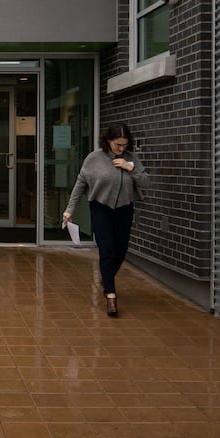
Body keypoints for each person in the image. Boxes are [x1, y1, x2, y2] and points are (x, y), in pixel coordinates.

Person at [62, 123, 149, 317]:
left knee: (121, 249)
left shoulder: (131, 158)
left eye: (124, 145)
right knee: (107, 249)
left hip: (125, 209)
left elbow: (146, 182)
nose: (121, 148)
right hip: (101, 208)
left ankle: (107, 275)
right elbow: (80, 183)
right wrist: (69, 209)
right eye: (118, 144)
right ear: (108, 141)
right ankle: (110, 295)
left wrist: (130, 168)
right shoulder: (94, 159)